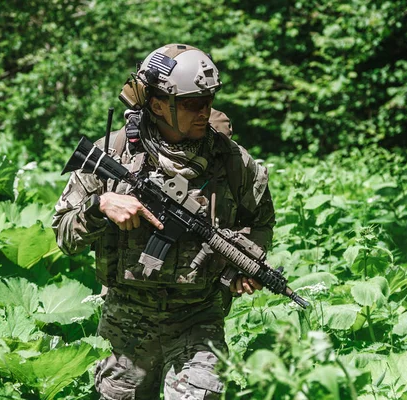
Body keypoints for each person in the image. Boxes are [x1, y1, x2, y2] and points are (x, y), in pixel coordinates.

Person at [52, 44, 275, 399]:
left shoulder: (232, 162)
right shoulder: (112, 153)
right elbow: (64, 236)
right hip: (126, 327)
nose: (205, 111)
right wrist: (101, 204)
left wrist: (244, 262)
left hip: (197, 319)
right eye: (191, 103)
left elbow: (261, 222)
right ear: (158, 104)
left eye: (209, 100)